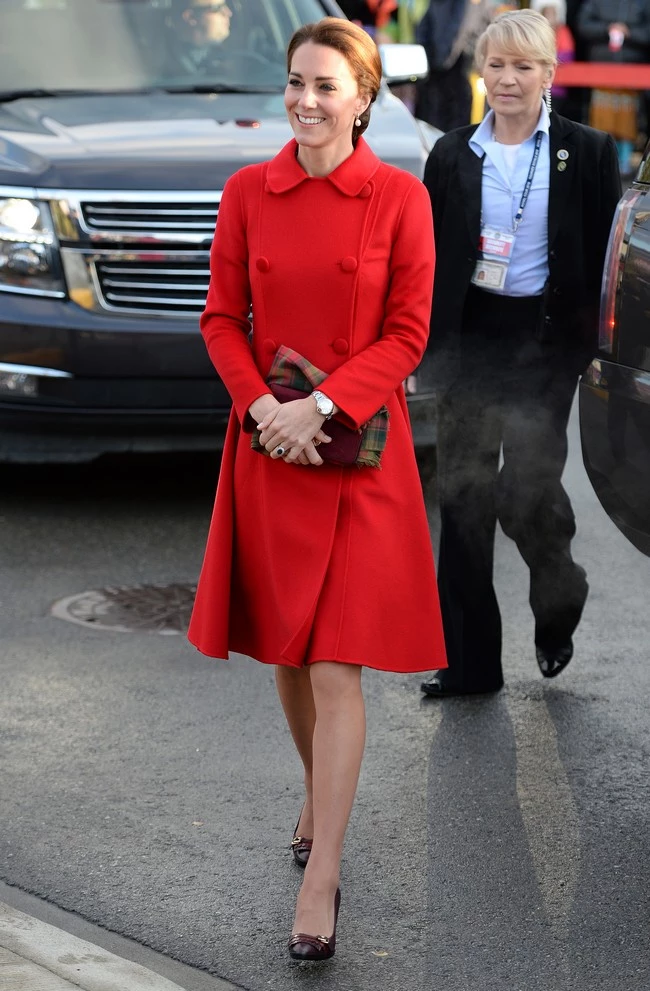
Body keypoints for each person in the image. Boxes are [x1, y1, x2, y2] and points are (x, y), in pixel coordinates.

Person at [187, 17, 447, 959]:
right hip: (268, 449)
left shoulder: (398, 197)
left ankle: (324, 871)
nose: (304, 99)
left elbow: (409, 332)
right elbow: (222, 319)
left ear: (364, 98)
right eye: (296, 81)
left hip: (358, 455)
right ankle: (314, 785)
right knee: (290, 657)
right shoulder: (247, 191)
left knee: (337, 662)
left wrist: (322, 408)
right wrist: (264, 409)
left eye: (326, 85)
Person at [419, 8, 621, 698]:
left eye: (523, 66)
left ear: (549, 75)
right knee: (464, 499)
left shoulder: (587, 152)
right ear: (481, 70)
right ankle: (471, 665)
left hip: (544, 345)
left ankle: (559, 592)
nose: (508, 79)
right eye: (496, 64)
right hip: (471, 342)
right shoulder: (450, 154)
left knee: (526, 492)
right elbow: (426, 260)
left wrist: (600, 348)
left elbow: (602, 258)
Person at [577, 0, 650, 175]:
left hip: (632, 73)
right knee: (601, 119)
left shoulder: (643, 3)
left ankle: (623, 162)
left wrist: (629, 32)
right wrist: (607, 28)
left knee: (628, 120)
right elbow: (583, 25)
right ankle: (600, 159)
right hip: (601, 72)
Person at [415, 0, 493, 132]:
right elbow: (424, 29)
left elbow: (461, 27)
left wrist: (439, 60)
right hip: (440, 69)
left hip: (460, 68)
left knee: (460, 124)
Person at [530, 0, 575, 117]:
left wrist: (545, 59)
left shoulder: (563, 32)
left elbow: (567, 56)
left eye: (553, 13)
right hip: (534, 88)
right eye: (546, 13)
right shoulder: (533, 33)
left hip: (557, 89)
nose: (550, 18)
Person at [173, 0, 234, 73]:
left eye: (225, 5)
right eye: (217, 8)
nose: (229, 13)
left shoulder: (231, 55)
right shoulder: (164, 68)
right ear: (191, 17)